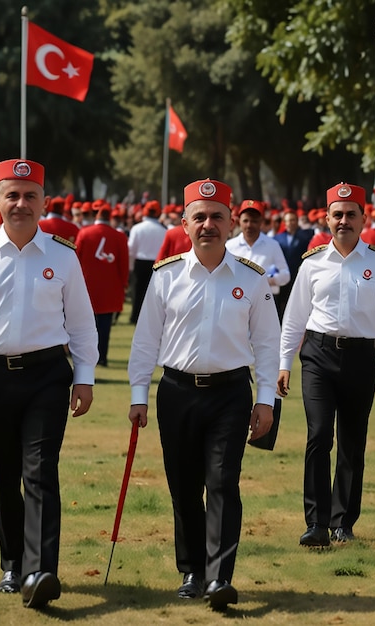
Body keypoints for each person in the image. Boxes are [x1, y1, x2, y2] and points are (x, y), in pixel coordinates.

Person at [128, 179, 280, 611]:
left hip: (230, 395)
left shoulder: (252, 279)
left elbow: (268, 343)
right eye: (200, 217)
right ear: (184, 223)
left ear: (231, 222)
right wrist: (139, 394)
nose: (208, 225)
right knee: (183, 486)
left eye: (217, 217)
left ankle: (219, 576)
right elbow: (144, 342)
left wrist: (265, 400)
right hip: (176, 392)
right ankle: (191, 570)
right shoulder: (165, 276)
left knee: (222, 483)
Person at [0, 159, 98, 608]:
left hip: (47, 378)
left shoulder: (63, 255)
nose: (20, 203)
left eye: (29, 195)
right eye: (11, 195)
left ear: (44, 203)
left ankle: (41, 570)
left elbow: (82, 325)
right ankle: (13, 563)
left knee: (40, 472)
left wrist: (85, 377)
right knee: (2, 476)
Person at [278, 182, 375, 547]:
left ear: (364, 219)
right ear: (326, 218)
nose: (344, 221)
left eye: (352, 214)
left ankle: (342, 522)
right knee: (318, 436)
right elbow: (294, 317)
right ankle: (316, 522)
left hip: (361, 357)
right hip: (318, 356)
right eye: (338, 214)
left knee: (352, 442)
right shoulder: (312, 263)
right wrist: (283, 362)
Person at [75, 204, 130, 366]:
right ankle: (102, 357)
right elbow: (124, 264)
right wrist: (124, 284)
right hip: (110, 287)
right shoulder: (119, 236)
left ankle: (85, 356)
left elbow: (76, 259)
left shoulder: (84, 233)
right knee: (105, 326)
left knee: (85, 326)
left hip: (87, 285)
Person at [226, 199, 291, 302]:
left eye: (254, 221)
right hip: (236, 300)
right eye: (245, 221)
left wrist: (269, 280)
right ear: (239, 222)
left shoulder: (272, 245)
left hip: (266, 300)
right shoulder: (229, 246)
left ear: (261, 222)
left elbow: (285, 275)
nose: (249, 225)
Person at [127, 200, 167, 323]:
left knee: (137, 291)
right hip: (156, 263)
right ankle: (151, 317)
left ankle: (135, 316)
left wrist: (131, 263)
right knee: (153, 293)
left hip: (140, 261)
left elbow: (131, 248)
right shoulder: (163, 230)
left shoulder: (137, 228)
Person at [274, 210, 313, 319]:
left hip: (298, 275)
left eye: (292, 220)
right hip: (283, 276)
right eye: (287, 221)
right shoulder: (277, 238)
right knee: (281, 303)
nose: (290, 223)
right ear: (284, 223)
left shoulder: (306, 237)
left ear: (297, 221)